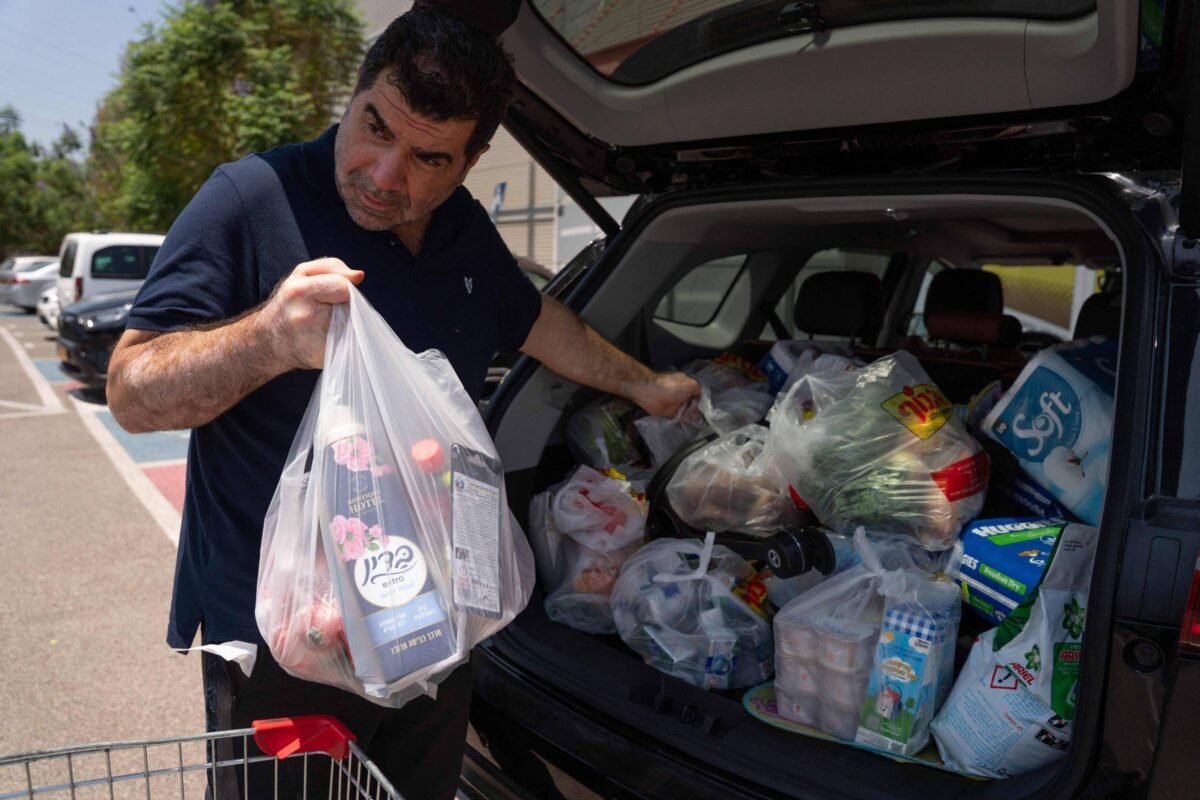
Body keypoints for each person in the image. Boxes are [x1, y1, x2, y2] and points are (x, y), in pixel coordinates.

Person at [105, 5, 698, 800]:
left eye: (427, 157)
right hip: (288, 636)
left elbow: (536, 323)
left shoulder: (462, 228)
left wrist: (645, 384)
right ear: (354, 96)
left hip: (430, 620)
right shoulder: (252, 197)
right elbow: (132, 392)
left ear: (471, 159)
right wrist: (268, 340)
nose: (386, 175)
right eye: (374, 127)